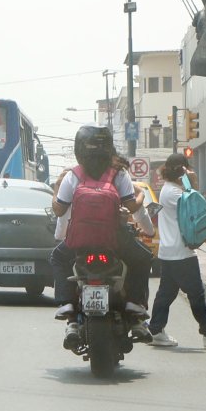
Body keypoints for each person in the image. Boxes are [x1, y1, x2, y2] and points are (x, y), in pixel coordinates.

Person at [50, 126, 154, 348]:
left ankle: (67, 305)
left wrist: (55, 191)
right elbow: (131, 205)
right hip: (115, 240)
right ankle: (135, 306)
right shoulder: (119, 174)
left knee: (58, 258)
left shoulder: (72, 176)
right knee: (144, 258)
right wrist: (142, 195)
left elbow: (59, 211)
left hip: (79, 242)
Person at [146, 153, 206, 349]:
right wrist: (193, 182)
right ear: (183, 172)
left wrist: (205, 236)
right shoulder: (176, 193)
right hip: (181, 252)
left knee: (166, 294)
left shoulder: (169, 190)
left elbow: (183, 217)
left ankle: (155, 329)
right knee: (196, 293)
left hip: (170, 251)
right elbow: (196, 210)